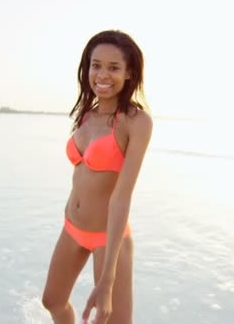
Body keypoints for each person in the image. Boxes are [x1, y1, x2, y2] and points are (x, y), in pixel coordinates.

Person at [41, 29, 153, 324]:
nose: (103, 74)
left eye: (114, 67)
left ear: (129, 73)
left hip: (108, 237)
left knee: (114, 320)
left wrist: (107, 279)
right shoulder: (87, 115)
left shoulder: (135, 122)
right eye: (96, 65)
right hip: (72, 227)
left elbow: (121, 196)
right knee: (52, 301)